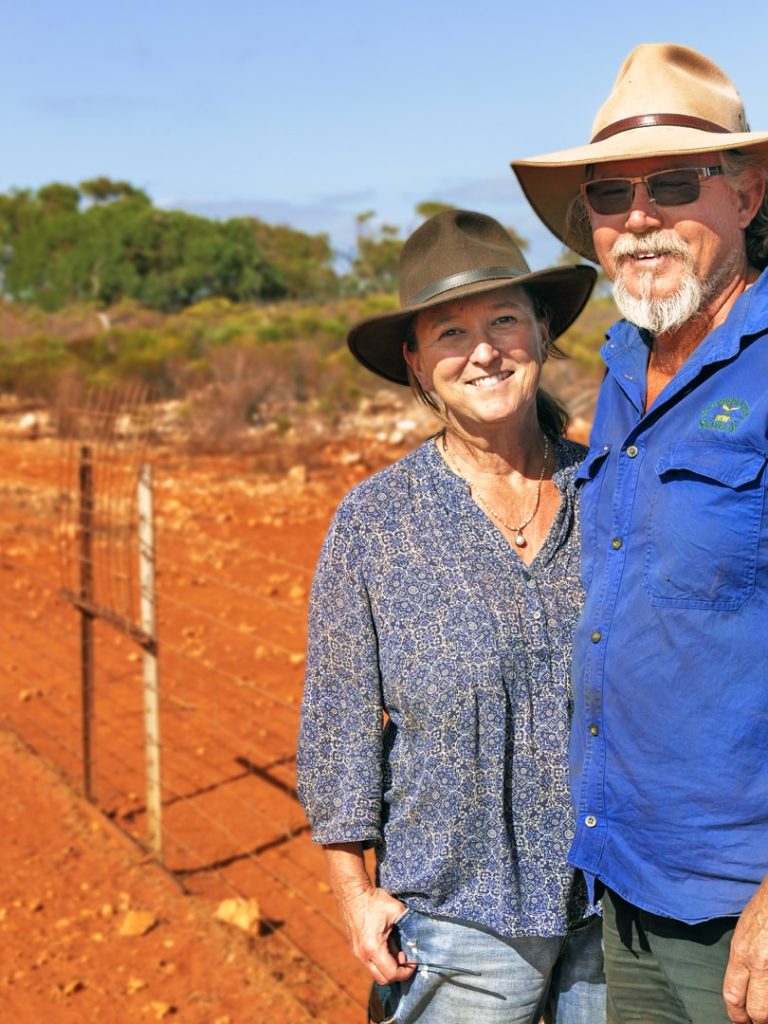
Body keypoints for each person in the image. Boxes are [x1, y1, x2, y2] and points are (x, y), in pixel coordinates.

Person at [511, 42, 768, 1024]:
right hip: (624, 883)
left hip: (739, 908)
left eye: (671, 183)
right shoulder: (625, 359)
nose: (640, 215)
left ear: (745, 197)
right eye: (611, 196)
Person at [297, 209, 605, 1023]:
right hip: (457, 922)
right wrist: (354, 891)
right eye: (450, 333)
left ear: (542, 331)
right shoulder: (376, 524)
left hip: (615, 912)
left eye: (505, 318)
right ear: (416, 362)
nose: (483, 351)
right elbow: (340, 723)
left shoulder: (609, 487)